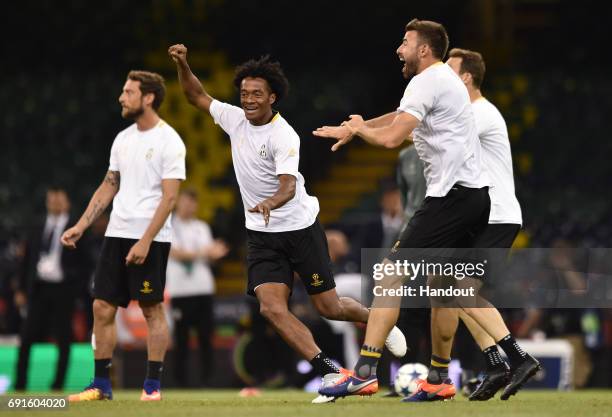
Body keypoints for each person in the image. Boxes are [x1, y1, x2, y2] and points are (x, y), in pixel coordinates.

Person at [168, 44, 407, 403]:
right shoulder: (234, 119)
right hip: (262, 236)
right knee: (271, 308)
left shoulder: (284, 135)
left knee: (330, 308)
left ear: (272, 97)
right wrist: (183, 64)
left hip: (299, 230)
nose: (248, 100)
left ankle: (375, 319)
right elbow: (195, 95)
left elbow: (289, 185)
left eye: (256, 94)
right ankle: (332, 371)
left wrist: (270, 203)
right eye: (244, 93)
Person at [315, 19, 538, 402]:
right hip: (474, 199)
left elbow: (390, 138)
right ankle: (505, 360)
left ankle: (366, 372)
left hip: (451, 199)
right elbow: (399, 120)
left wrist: (360, 130)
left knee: (388, 275)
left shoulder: (427, 80)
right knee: (445, 287)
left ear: (423, 49)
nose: (398, 49)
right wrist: (357, 127)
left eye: (404, 42)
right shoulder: (444, 81)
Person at [61, 71, 186, 402]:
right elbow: (109, 184)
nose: (121, 97)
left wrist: (145, 240)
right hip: (117, 233)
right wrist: (82, 224)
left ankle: (152, 386)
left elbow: (170, 198)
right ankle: (100, 384)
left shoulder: (169, 140)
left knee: (151, 308)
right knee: (101, 306)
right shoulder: (122, 139)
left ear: (148, 98)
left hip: (151, 237)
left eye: (128, 92)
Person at [446, 47, 538, 400]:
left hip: (496, 214)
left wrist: (369, 128)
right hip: (480, 216)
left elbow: (425, 131)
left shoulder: (479, 113)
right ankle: (497, 363)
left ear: (466, 77)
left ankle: (517, 358)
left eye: (451, 73)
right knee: (454, 291)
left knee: (462, 291)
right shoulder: (469, 113)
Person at [14, 187, 89, 391]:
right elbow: (26, 260)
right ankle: (20, 384)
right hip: (39, 288)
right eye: (51, 199)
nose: (55, 203)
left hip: (64, 289)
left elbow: (85, 262)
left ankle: (58, 385)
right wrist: (21, 288)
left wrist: (76, 288)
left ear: (67, 203)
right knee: (27, 336)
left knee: (64, 338)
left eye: (58, 199)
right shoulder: (37, 226)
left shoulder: (77, 228)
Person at [166, 188, 229, 387]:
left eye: (193, 202)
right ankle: (180, 383)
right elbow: (176, 253)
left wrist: (213, 254)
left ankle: (208, 381)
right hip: (180, 291)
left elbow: (210, 255)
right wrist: (206, 251)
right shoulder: (168, 226)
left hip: (203, 289)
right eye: (186, 201)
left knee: (206, 338)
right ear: (177, 202)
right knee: (181, 340)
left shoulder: (202, 227)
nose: (189, 206)